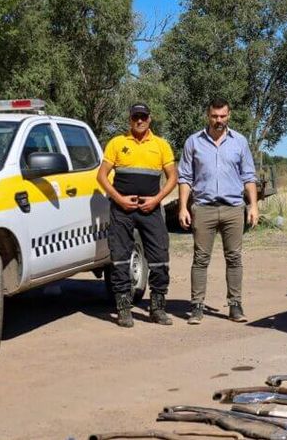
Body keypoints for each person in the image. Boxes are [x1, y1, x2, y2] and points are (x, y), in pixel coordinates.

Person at [177, 99, 258, 324]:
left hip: (233, 207)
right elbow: (185, 177)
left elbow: (249, 176)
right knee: (200, 258)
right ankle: (197, 307)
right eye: (214, 116)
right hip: (203, 208)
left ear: (228, 116)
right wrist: (183, 207)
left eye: (222, 116)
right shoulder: (193, 142)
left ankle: (235, 305)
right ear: (208, 115)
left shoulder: (239, 142)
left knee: (234, 258)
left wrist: (253, 206)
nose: (218, 120)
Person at [97, 103, 178, 328]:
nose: (139, 121)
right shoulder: (117, 143)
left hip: (151, 210)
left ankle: (158, 308)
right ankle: (123, 309)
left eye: (143, 117)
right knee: (120, 258)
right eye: (135, 118)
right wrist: (118, 199)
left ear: (149, 119)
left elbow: (173, 177)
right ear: (130, 119)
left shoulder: (161, 145)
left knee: (160, 258)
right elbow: (101, 176)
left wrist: (157, 199)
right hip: (122, 210)